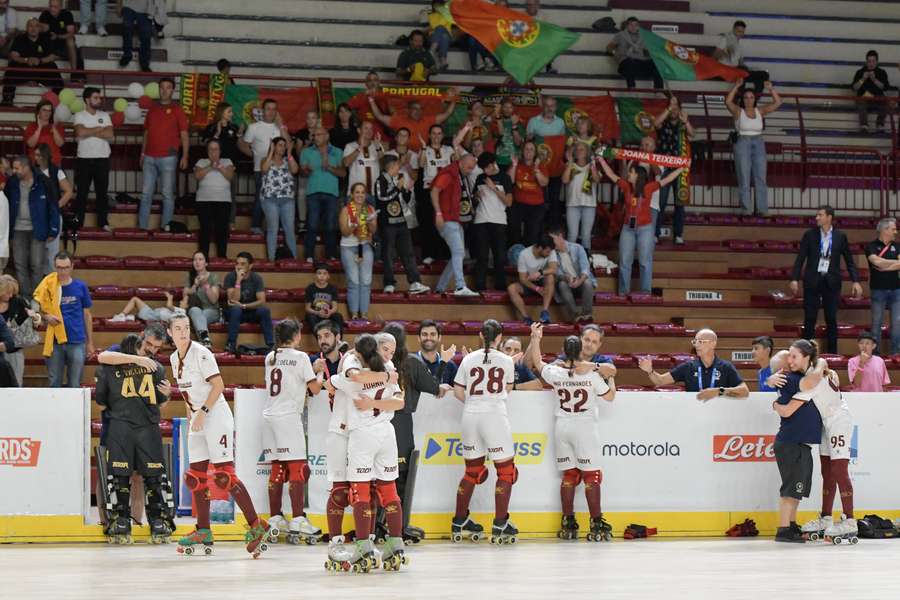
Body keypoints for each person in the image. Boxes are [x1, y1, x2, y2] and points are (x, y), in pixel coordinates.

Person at [167, 313, 272, 556]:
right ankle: (203, 530)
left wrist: (203, 412)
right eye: (178, 329)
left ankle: (257, 525)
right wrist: (193, 417)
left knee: (225, 476)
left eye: (186, 328)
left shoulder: (201, 353)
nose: (184, 332)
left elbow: (219, 386)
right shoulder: (174, 358)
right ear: (170, 333)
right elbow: (186, 394)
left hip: (216, 415)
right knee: (196, 477)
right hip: (198, 418)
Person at [329, 333, 408, 570]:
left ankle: (364, 545)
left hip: (362, 433)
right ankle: (393, 542)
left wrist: (369, 400)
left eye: (391, 351)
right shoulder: (387, 369)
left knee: (361, 491)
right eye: (385, 349)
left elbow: (334, 382)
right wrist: (385, 381)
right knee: (384, 489)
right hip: (378, 431)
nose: (388, 355)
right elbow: (399, 401)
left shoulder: (360, 372)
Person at [530, 327, 615, 542]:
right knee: (592, 476)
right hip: (584, 426)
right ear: (580, 349)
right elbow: (610, 397)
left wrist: (536, 338)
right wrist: (610, 380)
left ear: (564, 351)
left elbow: (537, 362)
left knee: (569, 476)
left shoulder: (555, 372)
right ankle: (596, 521)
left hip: (562, 425)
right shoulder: (591, 375)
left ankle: (568, 519)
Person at [95, 333, 174, 544]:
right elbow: (159, 402)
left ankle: (120, 524)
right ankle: (158, 523)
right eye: (148, 345)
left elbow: (101, 403)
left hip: (119, 426)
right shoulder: (155, 367)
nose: (150, 349)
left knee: (118, 477)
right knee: (153, 477)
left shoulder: (110, 369)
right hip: (147, 428)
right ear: (140, 344)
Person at [451, 319, 518, 544]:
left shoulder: (468, 359)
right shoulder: (507, 360)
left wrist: (473, 403)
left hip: (470, 415)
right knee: (506, 472)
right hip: (495, 415)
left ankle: (459, 520)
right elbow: (508, 389)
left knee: (472, 472)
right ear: (499, 337)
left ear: (481, 335)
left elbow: (458, 391)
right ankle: (500, 524)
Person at [262, 318, 323, 545]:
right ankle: (298, 518)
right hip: (288, 418)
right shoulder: (301, 357)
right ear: (296, 335)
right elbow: (315, 389)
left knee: (277, 468)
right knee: (297, 469)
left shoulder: (271, 356)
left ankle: (276, 518)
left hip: (268, 416)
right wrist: (319, 373)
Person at [596, 156, 684, 296]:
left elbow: (667, 180)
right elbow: (611, 175)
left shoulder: (648, 188)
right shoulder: (626, 186)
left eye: (630, 172)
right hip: (627, 229)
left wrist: (681, 168)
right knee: (625, 261)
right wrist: (601, 160)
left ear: (637, 175)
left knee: (645, 261)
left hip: (645, 229)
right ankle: (623, 292)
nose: (628, 174)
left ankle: (645, 293)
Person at [766, 340, 823, 543]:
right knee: (791, 489)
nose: (790, 361)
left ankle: (790, 524)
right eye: (788, 356)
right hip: (791, 441)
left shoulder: (796, 378)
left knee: (796, 489)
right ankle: (784, 529)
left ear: (806, 357)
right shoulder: (791, 379)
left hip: (798, 443)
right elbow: (810, 383)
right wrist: (822, 363)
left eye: (794, 356)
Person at [790, 206, 862, 354]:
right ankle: (805, 353)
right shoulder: (809, 235)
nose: (817, 217)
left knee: (831, 319)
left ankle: (832, 354)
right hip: (813, 280)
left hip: (832, 282)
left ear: (829, 217)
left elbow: (849, 260)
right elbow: (800, 258)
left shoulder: (840, 236)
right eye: (817, 215)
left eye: (820, 215)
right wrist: (795, 279)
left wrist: (855, 281)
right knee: (810, 318)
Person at [35, 251, 94, 387]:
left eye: (66, 267)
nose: (63, 271)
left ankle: (74, 409)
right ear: (55, 267)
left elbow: (87, 315)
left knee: (75, 384)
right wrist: (46, 316)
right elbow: (39, 310)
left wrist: (90, 342)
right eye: (59, 268)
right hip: (54, 342)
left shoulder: (81, 286)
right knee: (54, 382)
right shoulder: (48, 286)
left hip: (77, 341)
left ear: (72, 266)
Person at [638, 328, 750, 400]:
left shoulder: (726, 367)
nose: (696, 345)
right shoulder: (688, 367)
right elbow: (660, 381)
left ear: (713, 344)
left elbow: (744, 392)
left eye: (700, 342)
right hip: (693, 417)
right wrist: (650, 371)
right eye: (695, 341)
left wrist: (719, 391)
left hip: (719, 418)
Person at [725, 79, 782, 216]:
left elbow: (778, 103)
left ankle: (762, 209)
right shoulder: (738, 111)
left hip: (758, 141)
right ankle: (746, 210)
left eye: (751, 97)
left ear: (754, 99)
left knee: (761, 177)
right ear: (743, 99)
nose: (749, 100)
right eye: (746, 97)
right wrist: (736, 86)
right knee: (744, 176)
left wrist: (771, 89)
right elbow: (728, 102)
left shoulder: (760, 111)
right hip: (743, 141)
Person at [139, 78, 189, 232]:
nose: (164, 90)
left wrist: (185, 156)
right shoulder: (152, 109)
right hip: (149, 156)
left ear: (172, 90)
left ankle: (166, 226)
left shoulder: (177, 109)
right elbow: (146, 133)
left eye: (168, 87)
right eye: (162, 87)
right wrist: (142, 152)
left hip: (168, 157)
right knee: (146, 194)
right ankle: (142, 228)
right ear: (159, 89)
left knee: (167, 194)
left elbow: (184, 134)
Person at [376, 155, 430, 295]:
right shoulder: (380, 180)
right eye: (396, 166)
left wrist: (404, 190)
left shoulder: (396, 180)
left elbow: (404, 199)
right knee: (388, 254)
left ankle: (415, 282)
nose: (398, 169)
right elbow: (382, 198)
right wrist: (397, 189)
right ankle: (389, 283)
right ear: (391, 166)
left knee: (408, 253)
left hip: (401, 221)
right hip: (387, 223)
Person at [7, 154, 59, 297]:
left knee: (37, 265)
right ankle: (25, 298)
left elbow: (53, 206)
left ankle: (37, 299)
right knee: (19, 264)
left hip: (38, 230)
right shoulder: (12, 183)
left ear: (26, 167)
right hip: (17, 229)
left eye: (17, 168)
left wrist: (53, 229)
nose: (14, 171)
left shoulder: (44, 182)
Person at [431, 154, 480, 297]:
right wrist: (438, 213)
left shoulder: (458, 174)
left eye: (472, 168)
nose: (470, 171)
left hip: (454, 219)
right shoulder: (449, 173)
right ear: (461, 163)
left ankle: (440, 288)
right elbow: (434, 191)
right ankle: (460, 286)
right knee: (459, 252)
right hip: (446, 219)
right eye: (469, 167)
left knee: (458, 254)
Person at [239, 98, 290, 233]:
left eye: (274, 109)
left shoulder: (280, 127)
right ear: (263, 111)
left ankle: (277, 227)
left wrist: (282, 126)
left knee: (278, 198)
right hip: (260, 169)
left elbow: (289, 145)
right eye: (268, 109)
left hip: (279, 171)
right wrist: (254, 155)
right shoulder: (254, 127)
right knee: (260, 197)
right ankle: (255, 226)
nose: (271, 112)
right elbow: (244, 145)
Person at [300, 126, 345, 262]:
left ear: (327, 136)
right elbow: (303, 172)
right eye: (314, 135)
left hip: (332, 193)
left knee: (330, 225)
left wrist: (330, 167)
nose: (315, 137)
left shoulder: (337, 152)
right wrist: (306, 170)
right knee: (312, 224)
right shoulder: (306, 151)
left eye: (319, 134)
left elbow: (343, 173)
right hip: (313, 192)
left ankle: (331, 255)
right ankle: (309, 255)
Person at [653, 96, 694, 244]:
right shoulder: (663, 123)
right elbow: (655, 123)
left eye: (676, 106)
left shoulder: (682, 124)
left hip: (679, 168)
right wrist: (669, 108)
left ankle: (678, 234)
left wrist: (686, 121)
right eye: (671, 106)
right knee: (660, 202)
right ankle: (655, 234)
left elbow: (692, 133)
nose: (674, 108)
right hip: (664, 166)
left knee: (680, 202)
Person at [73, 87, 113, 231]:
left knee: (102, 193)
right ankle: (78, 222)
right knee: (82, 193)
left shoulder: (105, 115)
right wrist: (98, 129)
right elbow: (80, 131)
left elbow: (109, 134)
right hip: (84, 159)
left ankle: (103, 222)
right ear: (87, 99)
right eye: (95, 97)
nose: (99, 100)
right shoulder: (79, 115)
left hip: (102, 159)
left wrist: (89, 131)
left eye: (99, 97)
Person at [1, 18, 64, 106]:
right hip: (24, 67)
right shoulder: (20, 38)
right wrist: (26, 60)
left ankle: (56, 102)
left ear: (39, 28)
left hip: (41, 68)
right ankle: (7, 101)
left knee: (53, 67)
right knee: (12, 66)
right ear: (26, 28)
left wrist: (40, 60)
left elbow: (52, 56)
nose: (33, 28)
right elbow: (14, 55)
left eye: (36, 26)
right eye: (31, 26)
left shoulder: (45, 39)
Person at [473, 151, 512, 292]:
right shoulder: (479, 178)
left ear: (493, 164)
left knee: (499, 256)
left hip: (499, 221)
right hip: (481, 220)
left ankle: (500, 286)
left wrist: (494, 188)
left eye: (487, 168)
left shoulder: (505, 178)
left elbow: (509, 202)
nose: (485, 171)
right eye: (483, 169)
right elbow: (474, 199)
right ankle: (479, 286)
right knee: (482, 256)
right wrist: (477, 195)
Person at [223, 251, 274, 354]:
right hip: (233, 313)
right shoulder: (230, 277)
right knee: (236, 309)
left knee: (264, 311)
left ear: (250, 266)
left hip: (249, 310)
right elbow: (233, 300)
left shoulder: (256, 278)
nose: (239, 267)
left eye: (242, 264)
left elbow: (262, 301)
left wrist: (244, 306)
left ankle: (271, 345)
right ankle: (231, 344)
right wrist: (238, 281)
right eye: (237, 263)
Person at [418, 123, 455, 264]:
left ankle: (445, 254)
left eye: (439, 133)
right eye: (433, 133)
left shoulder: (448, 149)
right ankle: (429, 253)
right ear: (429, 135)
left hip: (446, 191)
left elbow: (456, 162)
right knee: (429, 223)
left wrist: (456, 146)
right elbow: (421, 165)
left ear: (443, 136)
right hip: (430, 189)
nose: (436, 136)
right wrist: (422, 147)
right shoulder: (425, 149)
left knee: (446, 223)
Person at [340, 182, 378, 320]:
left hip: (365, 246)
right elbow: (344, 232)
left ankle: (365, 314)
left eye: (362, 192)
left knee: (366, 281)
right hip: (348, 246)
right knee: (354, 281)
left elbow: (373, 231)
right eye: (357, 192)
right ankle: (354, 314)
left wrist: (369, 222)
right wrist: (355, 223)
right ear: (352, 194)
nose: (360, 195)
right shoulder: (346, 210)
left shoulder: (370, 209)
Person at [526, 97, 565, 227]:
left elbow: (561, 145)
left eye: (552, 106)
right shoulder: (533, 121)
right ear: (543, 106)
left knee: (554, 200)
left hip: (555, 167)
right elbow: (528, 143)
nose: (549, 108)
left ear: (556, 107)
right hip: (538, 167)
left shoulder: (560, 123)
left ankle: (553, 229)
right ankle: (538, 228)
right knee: (539, 199)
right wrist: (530, 138)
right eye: (547, 105)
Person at [368, 95, 457, 153]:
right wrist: (371, 99)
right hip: (404, 156)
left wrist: (454, 99)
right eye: (415, 109)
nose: (417, 111)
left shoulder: (428, 120)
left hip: (423, 155)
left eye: (420, 109)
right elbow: (379, 116)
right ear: (409, 110)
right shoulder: (399, 120)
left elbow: (447, 114)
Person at [34, 142, 71, 275]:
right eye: (35, 155)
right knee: (37, 255)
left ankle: (52, 284)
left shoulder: (57, 171)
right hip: (37, 217)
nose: (36, 157)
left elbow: (68, 191)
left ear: (45, 155)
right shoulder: (33, 171)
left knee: (51, 253)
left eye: (38, 155)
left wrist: (56, 206)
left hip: (52, 217)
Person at [259, 136, 299, 260]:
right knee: (273, 229)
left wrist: (289, 153)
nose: (282, 147)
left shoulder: (288, 160)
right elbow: (264, 169)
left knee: (290, 230)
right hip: (270, 199)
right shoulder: (266, 160)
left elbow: (295, 170)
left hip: (287, 199)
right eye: (280, 145)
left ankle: (293, 259)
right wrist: (271, 151)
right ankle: (271, 259)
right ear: (274, 146)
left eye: (284, 145)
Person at [194, 139, 234, 259]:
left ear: (220, 151)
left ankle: (222, 257)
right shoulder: (201, 162)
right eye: (211, 149)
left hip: (223, 201)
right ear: (207, 151)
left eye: (216, 149)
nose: (213, 152)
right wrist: (210, 166)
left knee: (222, 230)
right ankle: (203, 258)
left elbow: (230, 176)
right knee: (205, 229)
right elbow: (197, 175)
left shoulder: (227, 161)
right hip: (203, 201)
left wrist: (219, 166)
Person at [865, 217, 900, 355]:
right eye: (893, 229)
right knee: (876, 324)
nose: (895, 232)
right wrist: (891, 263)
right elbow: (875, 262)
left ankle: (896, 354)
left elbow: (882, 264)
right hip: (878, 290)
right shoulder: (871, 246)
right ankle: (875, 355)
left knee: (897, 325)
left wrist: (883, 264)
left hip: (897, 290)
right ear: (885, 230)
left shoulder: (898, 246)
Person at [0, 274, 41, 386]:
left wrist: (36, 318)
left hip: (14, 350)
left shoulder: (17, 301)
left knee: (15, 384)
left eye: (12, 292)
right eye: (7, 292)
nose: (10, 295)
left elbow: (36, 319)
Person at [548, 226, 595, 323]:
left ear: (560, 236)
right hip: (567, 285)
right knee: (561, 284)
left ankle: (587, 315)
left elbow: (586, 269)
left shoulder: (577, 248)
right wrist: (566, 278)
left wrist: (579, 281)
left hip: (580, 283)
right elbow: (557, 274)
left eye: (552, 239)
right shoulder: (552, 254)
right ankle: (575, 316)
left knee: (587, 282)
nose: (550, 243)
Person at [509, 235, 557, 325]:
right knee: (512, 288)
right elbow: (522, 279)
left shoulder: (550, 250)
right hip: (528, 283)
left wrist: (540, 273)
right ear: (539, 248)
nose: (548, 254)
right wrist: (536, 288)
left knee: (550, 276)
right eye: (547, 252)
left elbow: (553, 269)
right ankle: (526, 317)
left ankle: (545, 312)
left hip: (543, 281)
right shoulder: (524, 254)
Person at [561, 142, 600, 253]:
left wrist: (593, 165)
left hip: (589, 205)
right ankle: (568, 259)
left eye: (582, 149)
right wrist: (569, 163)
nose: (579, 151)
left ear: (587, 152)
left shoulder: (592, 165)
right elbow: (564, 180)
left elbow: (597, 180)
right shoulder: (570, 165)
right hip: (572, 204)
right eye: (577, 149)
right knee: (572, 234)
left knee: (586, 235)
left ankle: (585, 259)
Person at [508, 141, 549, 247]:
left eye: (531, 149)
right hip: (519, 203)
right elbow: (510, 181)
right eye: (526, 149)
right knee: (514, 230)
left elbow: (544, 183)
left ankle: (530, 257)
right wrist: (514, 165)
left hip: (536, 205)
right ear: (522, 151)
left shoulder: (541, 166)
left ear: (535, 153)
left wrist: (536, 171)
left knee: (532, 233)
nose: (529, 151)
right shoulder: (517, 165)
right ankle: (516, 254)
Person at [607, 17, 663, 89]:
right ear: (627, 26)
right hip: (626, 62)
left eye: (636, 25)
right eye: (631, 25)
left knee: (656, 63)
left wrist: (653, 54)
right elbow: (609, 47)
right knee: (629, 62)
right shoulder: (620, 35)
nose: (633, 27)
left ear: (638, 26)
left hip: (641, 62)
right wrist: (615, 53)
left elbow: (646, 52)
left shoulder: (643, 36)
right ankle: (631, 87)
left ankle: (659, 89)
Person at [713, 20, 766, 93]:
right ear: (733, 29)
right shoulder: (725, 38)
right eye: (738, 31)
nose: (740, 34)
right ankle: (744, 98)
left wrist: (746, 67)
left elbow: (739, 60)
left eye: (742, 32)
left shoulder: (737, 43)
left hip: (735, 69)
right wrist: (724, 54)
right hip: (726, 71)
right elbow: (715, 55)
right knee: (743, 76)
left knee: (763, 75)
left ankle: (754, 97)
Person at [181, 251, 220, 348]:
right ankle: (205, 340)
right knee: (195, 311)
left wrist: (206, 285)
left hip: (211, 310)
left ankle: (204, 341)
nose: (197, 262)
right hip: (195, 310)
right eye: (195, 260)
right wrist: (195, 285)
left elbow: (214, 300)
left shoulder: (213, 277)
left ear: (206, 263)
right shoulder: (190, 276)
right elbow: (185, 294)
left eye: (200, 259)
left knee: (200, 317)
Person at [38, 0, 82, 80]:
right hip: (49, 43)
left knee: (70, 40)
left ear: (61, 7)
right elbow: (40, 31)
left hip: (63, 43)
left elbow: (71, 33)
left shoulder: (67, 14)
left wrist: (57, 36)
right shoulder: (45, 14)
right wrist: (43, 28)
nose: (52, 9)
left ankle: (74, 73)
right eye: (51, 6)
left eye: (55, 7)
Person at [342, 120, 384, 198]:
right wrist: (359, 148)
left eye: (371, 129)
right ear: (359, 130)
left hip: (374, 194)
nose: (369, 131)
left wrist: (378, 148)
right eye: (366, 128)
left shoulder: (377, 145)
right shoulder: (350, 146)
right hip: (356, 194)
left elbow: (384, 167)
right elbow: (346, 163)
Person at [852, 50, 890, 134]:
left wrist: (874, 79)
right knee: (860, 100)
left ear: (877, 61)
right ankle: (864, 126)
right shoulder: (860, 72)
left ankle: (880, 125)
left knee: (887, 102)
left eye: (873, 61)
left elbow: (885, 87)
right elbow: (854, 88)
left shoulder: (881, 72)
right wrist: (862, 79)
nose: (871, 63)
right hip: (863, 98)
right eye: (869, 61)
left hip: (877, 98)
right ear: (866, 62)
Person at [304, 263, 344, 332]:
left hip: (327, 314)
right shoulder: (310, 288)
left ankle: (338, 340)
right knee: (310, 317)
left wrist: (330, 312)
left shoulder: (332, 288)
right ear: (315, 275)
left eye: (325, 274)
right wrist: (317, 313)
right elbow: (307, 308)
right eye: (319, 273)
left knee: (338, 316)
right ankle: (319, 339)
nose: (322, 276)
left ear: (328, 276)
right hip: (315, 314)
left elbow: (335, 307)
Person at [24, 99, 64, 166]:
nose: (47, 113)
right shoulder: (32, 126)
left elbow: (60, 144)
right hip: (36, 163)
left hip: (54, 163)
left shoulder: (57, 126)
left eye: (49, 110)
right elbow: (31, 144)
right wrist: (39, 128)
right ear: (38, 111)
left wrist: (53, 128)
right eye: (44, 110)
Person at [490, 99, 525, 171]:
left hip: (514, 161)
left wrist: (515, 125)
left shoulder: (519, 122)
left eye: (510, 107)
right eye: (505, 107)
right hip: (499, 161)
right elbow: (501, 133)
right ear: (501, 108)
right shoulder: (495, 122)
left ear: (513, 109)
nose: (507, 110)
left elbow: (518, 143)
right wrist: (497, 116)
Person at [109, 290, 183, 323]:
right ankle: (128, 317)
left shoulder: (182, 311)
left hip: (150, 315)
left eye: (184, 301)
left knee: (135, 299)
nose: (181, 301)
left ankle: (122, 316)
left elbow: (169, 305)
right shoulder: (179, 312)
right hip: (152, 313)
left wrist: (170, 297)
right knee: (135, 300)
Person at [119, 0, 153, 72]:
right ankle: (127, 55)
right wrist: (118, 5)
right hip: (128, 5)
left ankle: (144, 63)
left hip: (146, 8)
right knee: (127, 27)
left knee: (146, 34)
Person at [427, 0, 452, 71]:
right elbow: (433, 27)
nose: (437, 7)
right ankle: (442, 59)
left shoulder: (447, 15)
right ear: (433, 6)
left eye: (439, 5)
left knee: (443, 31)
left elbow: (441, 25)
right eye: (436, 5)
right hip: (432, 36)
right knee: (444, 36)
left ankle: (432, 50)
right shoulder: (431, 16)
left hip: (446, 34)